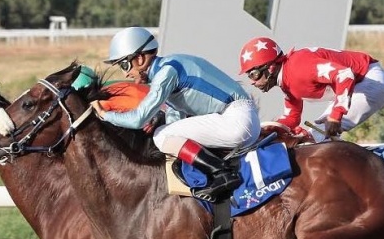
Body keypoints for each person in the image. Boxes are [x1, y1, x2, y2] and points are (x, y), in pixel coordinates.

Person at [92, 27, 260, 201]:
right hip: (240, 119)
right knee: (165, 132)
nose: (125, 73)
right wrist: (160, 118)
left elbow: (138, 119)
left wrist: (105, 115)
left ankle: (221, 172)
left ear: (140, 58)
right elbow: (175, 118)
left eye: (124, 65)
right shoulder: (171, 65)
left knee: (160, 136)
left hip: (236, 120)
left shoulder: (167, 72)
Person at [238, 37, 384, 140]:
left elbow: (345, 75)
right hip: (359, 85)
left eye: (253, 74)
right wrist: (266, 131)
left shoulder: (298, 67)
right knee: (314, 133)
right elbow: (291, 118)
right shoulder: (287, 82)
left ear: (271, 67)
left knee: (315, 134)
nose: (253, 82)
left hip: (372, 81)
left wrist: (336, 114)